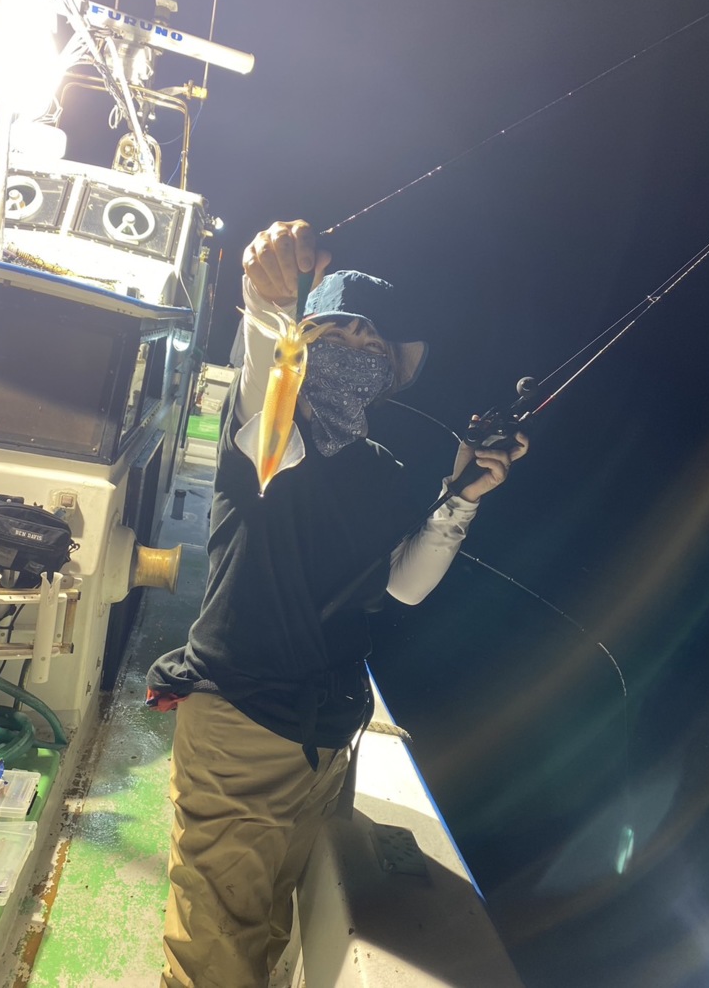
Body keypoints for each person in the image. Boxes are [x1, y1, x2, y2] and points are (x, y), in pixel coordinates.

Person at [147, 219, 528, 988]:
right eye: (336, 332)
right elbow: (265, 362)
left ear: (390, 373)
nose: (357, 348)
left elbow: (403, 584)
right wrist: (266, 296)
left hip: (328, 733)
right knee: (215, 954)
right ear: (303, 343)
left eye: (372, 344)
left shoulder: (382, 469)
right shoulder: (266, 439)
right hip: (243, 728)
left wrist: (464, 495)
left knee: (271, 930)